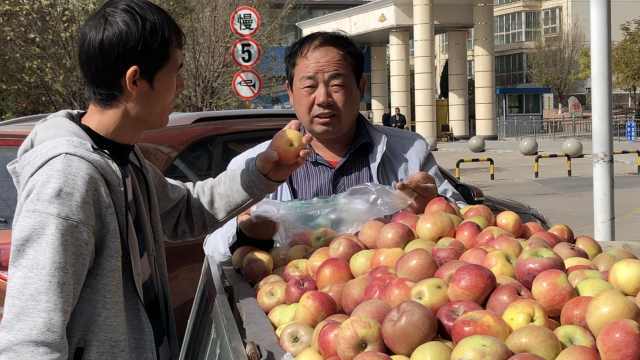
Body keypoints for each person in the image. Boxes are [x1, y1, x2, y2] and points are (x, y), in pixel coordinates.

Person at [0, 1, 310, 359]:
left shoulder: (124, 159)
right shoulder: (66, 180)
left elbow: (185, 210)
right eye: (175, 71)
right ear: (135, 80)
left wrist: (263, 171)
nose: (180, 85)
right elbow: (31, 340)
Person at [205, 31, 464, 260]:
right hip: (290, 305)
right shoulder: (255, 165)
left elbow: (464, 224)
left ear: (360, 87)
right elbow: (213, 249)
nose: (323, 99)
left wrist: (435, 207)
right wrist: (246, 232)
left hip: (385, 298)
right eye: (309, 86)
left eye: (336, 84)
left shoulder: (410, 152)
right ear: (290, 93)